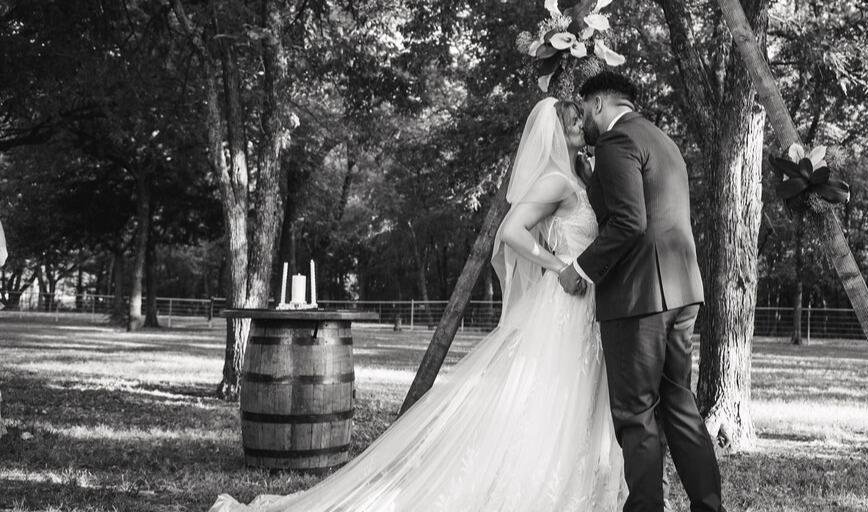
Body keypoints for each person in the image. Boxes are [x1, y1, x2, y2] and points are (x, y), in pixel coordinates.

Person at [208, 97, 628, 511]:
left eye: (580, 119)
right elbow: (511, 230)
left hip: (585, 308)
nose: (580, 125)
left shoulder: (580, 177)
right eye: (572, 120)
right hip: (563, 303)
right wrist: (558, 266)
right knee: (551, 394)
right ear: (555, 131)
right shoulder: (555, 180)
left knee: (568, 396)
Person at [558, 71, 725, 512]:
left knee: (636, 417)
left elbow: (629, 222)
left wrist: (582, 268)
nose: (587, 124)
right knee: (680, 406)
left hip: (638, 299)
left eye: (585, 109)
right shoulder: (662, 141)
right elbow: (647, 209)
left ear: (599, 104)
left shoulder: (616, 142)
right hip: (682, 291)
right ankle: (710, 506)